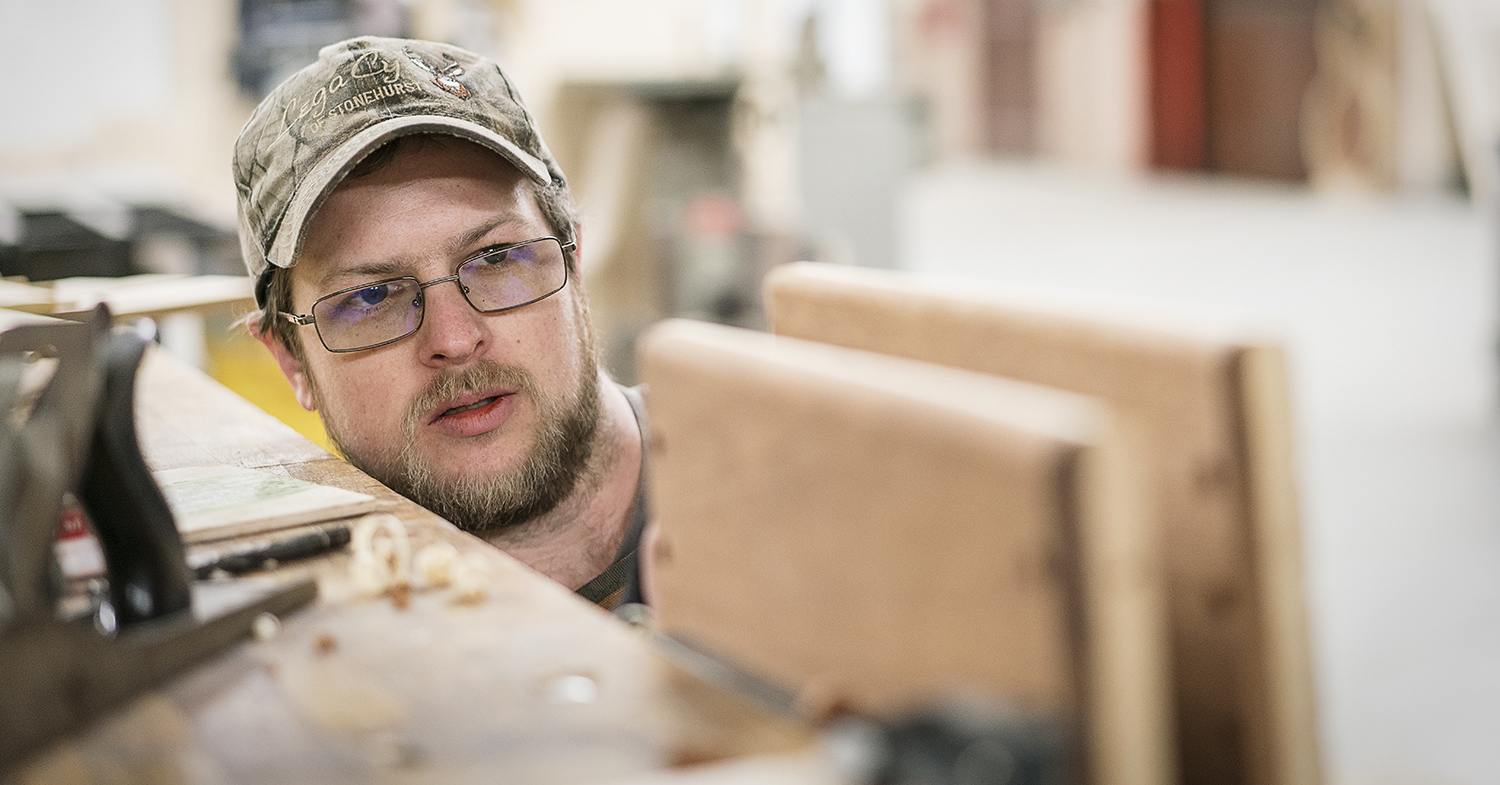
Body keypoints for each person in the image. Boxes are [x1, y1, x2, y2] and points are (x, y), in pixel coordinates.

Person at [233, 36, 646, 608]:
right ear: (289, 358)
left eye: (497, 259)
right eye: (371, 297)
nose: (453, 339)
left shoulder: (775, 487)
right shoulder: (308, 633)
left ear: (574, 265)